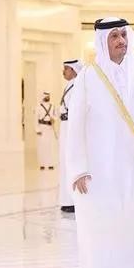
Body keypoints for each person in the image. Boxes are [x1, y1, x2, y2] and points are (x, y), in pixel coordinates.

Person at [66, 17, 134, 268]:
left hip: (132, 166)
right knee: (101, 228)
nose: (120, 41)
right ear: (102, 41)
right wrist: (79, 167)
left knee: (133, 223)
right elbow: (75, 125)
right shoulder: (89, 77)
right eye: (114, 36)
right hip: (99, 168)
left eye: (123, 35)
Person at [59, 59, 84, 213]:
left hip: (71, 127)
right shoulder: (70, 85)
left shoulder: (76, 86)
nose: (64, 71)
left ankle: (72, 200)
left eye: (66, 69)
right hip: (65, 126)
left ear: (74, 70)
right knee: (64, 162)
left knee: (70, 161)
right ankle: (67, 199)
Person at [35, 92, 56, 170]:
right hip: (42, 128)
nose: (47, 97)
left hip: (49, 128)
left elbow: (55, 115)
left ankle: (50, 164)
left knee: (50, 146)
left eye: (48, 96)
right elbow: (35, 119)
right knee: (42, 146)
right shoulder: (38, 107)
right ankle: (42, 164)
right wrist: (37, 129)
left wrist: (53, 119)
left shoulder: (52, 106)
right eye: (46, 96)